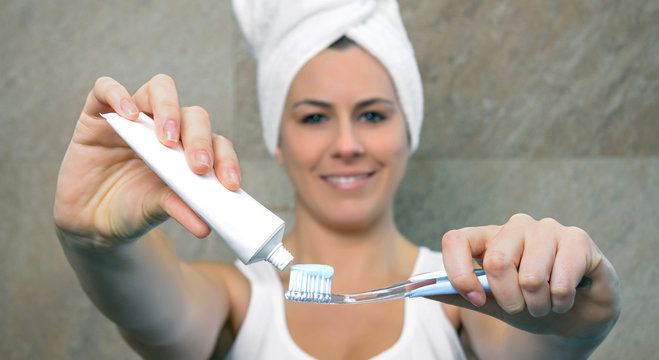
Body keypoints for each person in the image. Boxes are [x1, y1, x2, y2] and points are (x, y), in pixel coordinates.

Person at [54, 1, 620, 359]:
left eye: (373, 115)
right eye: (314, 117)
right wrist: (92, 242)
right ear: (279, 139)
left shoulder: (461, 299)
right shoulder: (233, 302)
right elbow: (153, 313)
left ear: (408, 132)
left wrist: (581, 317)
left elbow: (538, 348)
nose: (347, 144)